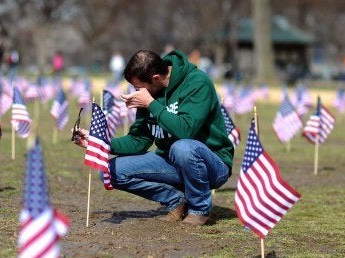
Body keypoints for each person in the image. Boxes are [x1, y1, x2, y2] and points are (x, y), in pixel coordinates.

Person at [72, 49, 233, 226]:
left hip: (213, 164)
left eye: (138, 87)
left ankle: (199, 209)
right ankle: (176, 201)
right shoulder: (149, 94)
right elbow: (138, 140)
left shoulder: (197, 82)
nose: (136, 92)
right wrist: (99, 143)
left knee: (183, 147)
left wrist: (151, 104)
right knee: (109, 171)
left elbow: (186, 130)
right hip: (172, 160)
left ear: (156, 78)